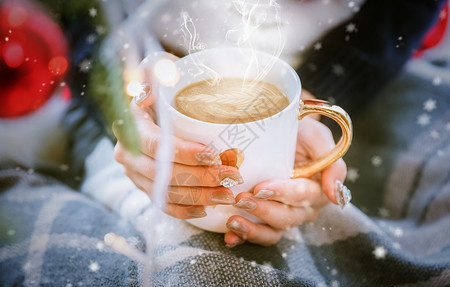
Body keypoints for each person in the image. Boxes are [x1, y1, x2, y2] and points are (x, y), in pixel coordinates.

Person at [112, 0, 447, 247]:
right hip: (141, 63)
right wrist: (123, 107)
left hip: (343, 70)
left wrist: (311, 100)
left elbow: (402, 12)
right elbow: (80, 22)